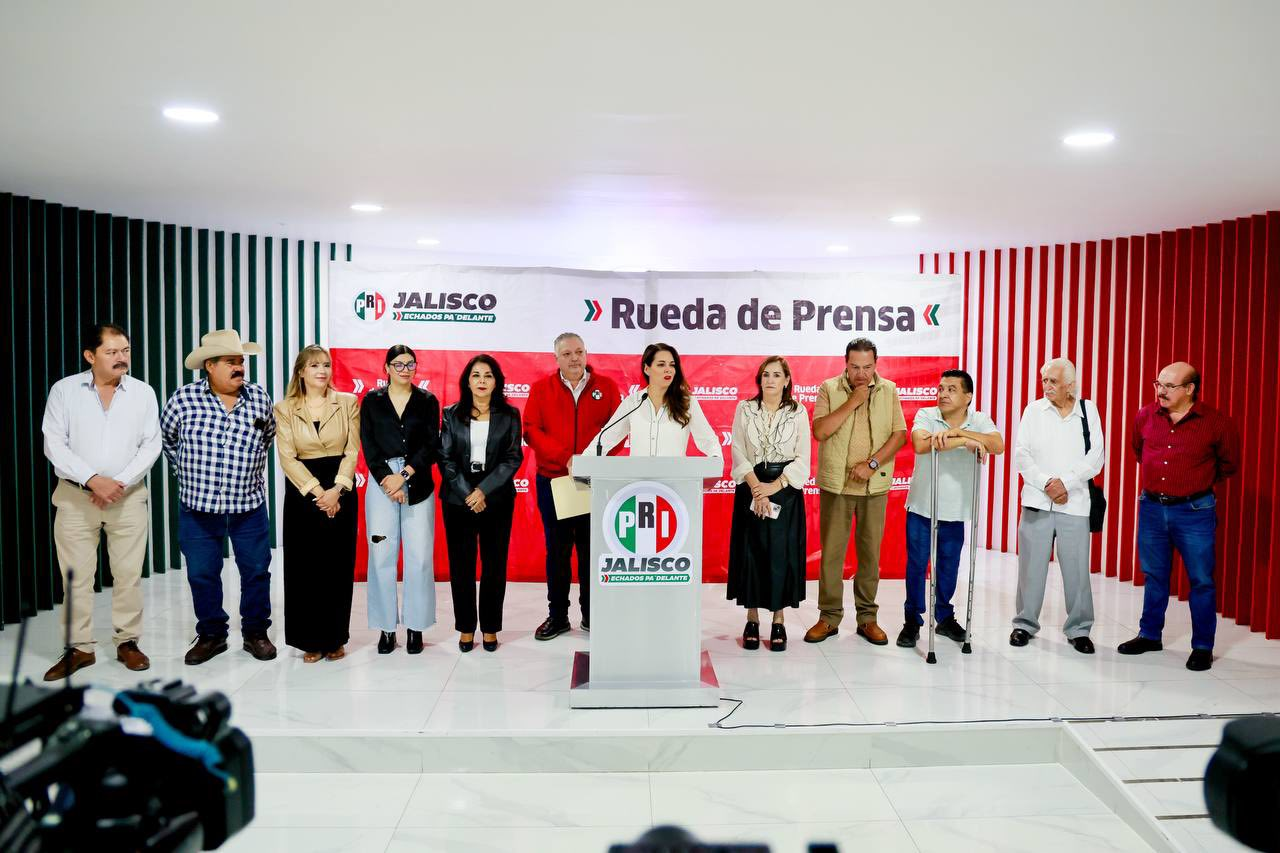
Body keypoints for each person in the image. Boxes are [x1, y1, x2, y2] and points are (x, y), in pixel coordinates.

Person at [40, 323, 161, 680]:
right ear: (90, 356)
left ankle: (128, 642)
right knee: (76, 578)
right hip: (76, 497)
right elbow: (53, 443)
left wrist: (118, 483)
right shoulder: (64, 391)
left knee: (128, 575)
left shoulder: (143, 393)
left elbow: (151, 445)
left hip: (128, 497)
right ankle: (79, 648)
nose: (121, 358)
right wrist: (93, 479)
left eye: (125, 351)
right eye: (111, 352)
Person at [162, 329, 277, 665]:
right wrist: (187, 476)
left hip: (248, 506)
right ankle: (212, 635)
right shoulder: (182, 399)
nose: (239, 367)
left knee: (256, 571)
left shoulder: (259, 398)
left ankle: (256, 633)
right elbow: (168, 441)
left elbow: (267, 437)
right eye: (230, 361)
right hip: (198, 508)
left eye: (240, 360)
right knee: (202, 573)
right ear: (209, 365)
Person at [1118, 362, 1240, 671]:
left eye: (1169, 386)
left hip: (1194, 511)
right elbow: (1138, 451)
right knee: (1154, 575)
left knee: (1201, 580)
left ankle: (1202, 646)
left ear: (1190, 389)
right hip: (1151, 507)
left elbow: (1228, 464)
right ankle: (1149, 635)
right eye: (1158, 384)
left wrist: (1194, 483)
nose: (1160, 391)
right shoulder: (1145, 416)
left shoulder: (1216, 423)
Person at [805, 338, 907, 646]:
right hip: (836, 485)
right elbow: (820, 431)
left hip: (874, 486)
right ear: (845, 364)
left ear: (876, 364)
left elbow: (899, 435)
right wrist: (853, 401)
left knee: (869, 555)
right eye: (855, 367)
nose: (861, 374)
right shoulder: (829, 388)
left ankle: (867, 619)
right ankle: (829, 617)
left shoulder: (889, 390)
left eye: (867, 367)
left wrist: (872, 464)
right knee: (831, 556)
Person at [523, 332, 621, 641]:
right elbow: (531, 430)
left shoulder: (607, 387)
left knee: (592, 552)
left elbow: (618, 430)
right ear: (556, 359)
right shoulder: (541, 389)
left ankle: (592, 615)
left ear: (586, 353)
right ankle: (558, 616)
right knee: (558, 552)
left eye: (579, 351)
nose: (574, 358)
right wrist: (566, 458)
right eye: (567, 354)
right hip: (555, 482)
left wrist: (590, 461)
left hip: (595, 481)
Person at [896, 369, 1004, 648]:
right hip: (922, 505)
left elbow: (997, 445)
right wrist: (966, 441)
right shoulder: (926, 414)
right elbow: (921, 444)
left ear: (968, 397)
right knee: (917, 564)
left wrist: (959, 433)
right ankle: (912, 620)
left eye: (951, 389)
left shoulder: (979, 419)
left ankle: (944, 617)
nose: (943, 394)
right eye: (941, 388)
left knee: (949, 565)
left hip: (956, 509)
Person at [1009, 357, 1104, 653]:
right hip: (1037, 500)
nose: (1046, 386)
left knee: (1077, 571)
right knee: (1031, 568)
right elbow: (1022, 454)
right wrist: (1048, 483)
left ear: (1070, 385)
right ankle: (1024, 624)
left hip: (1075, 503)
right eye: (1044, 380)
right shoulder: (1033, 411)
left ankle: (1079, 629)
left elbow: (1096, 457)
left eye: (1053, 381)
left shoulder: (1088, 411)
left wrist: (1066, 483)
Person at [273, 345, 360, 663]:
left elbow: (352, 450)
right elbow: (287, 457)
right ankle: (309, 639)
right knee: (305, 568)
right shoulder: (284, 408)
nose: (322, 370)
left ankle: (336, 638)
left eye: (325, 365)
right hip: (303, 493)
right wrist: (318, 492)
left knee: (337, 567)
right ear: (301, 372)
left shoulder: (348, 402)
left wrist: (336, 490)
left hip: (341, 488)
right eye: (313, 365)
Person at [440, 354, 524, 653]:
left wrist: (483, 491)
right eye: (476, 375)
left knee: (494, 565)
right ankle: (466, 628)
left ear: (496, 381)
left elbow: (513, 457)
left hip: (496, 498)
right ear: (467, 381)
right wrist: (468, 492)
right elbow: (446, 459)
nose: (482, 381)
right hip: (458, 499)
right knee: (461, 566)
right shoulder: (451, 414)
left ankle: (490, 628)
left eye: (488, 375)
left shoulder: (510, 415)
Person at [726, 356, 811, 652]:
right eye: (765, 375)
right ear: (759, 380)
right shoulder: (745, 409)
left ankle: (778, 619)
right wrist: (757, 490)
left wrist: (772, 488)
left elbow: (803, 458)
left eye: (777, 375)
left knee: (780, 555)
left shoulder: (798, 411)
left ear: (787, 380)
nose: (770, 380)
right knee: (751, 553)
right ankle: (751, 619)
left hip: (784, 488)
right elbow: (738, 450)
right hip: (751, 485)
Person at [360, 345, 440, 655]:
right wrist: (388, 479)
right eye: (398, 364)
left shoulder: (427, 401)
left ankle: (416, 627)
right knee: (381, 554)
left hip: (417, 482)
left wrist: (404, 475)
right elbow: (369, 444)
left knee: (419, 557)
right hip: (382, 483)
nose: (405, 369)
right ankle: (386, 628)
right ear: (387, 368)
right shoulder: (372, 401)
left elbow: (431, 444)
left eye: (410, 364)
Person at [588, 343, 722, 459]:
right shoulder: (633, 402)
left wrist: (715, 459)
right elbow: (605, 439)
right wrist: (583, 466)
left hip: (675, 479)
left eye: (672, 365)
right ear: (647, 369)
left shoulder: (687, 402)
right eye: (661, 364)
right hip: (638, 480)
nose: (668, 369)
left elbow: (708, 441)